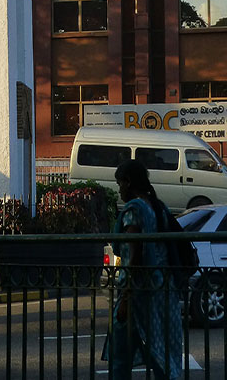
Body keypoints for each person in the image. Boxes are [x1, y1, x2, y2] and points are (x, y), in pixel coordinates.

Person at [102, 159, 182, 379]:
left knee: (120, 356)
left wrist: (126, 297)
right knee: (161, 352)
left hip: (137, 294)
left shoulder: (133, 209)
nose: (118, 190)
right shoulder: (159, 207)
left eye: (119, 184)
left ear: (128, 182)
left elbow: (133, 253)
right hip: (163, 291)